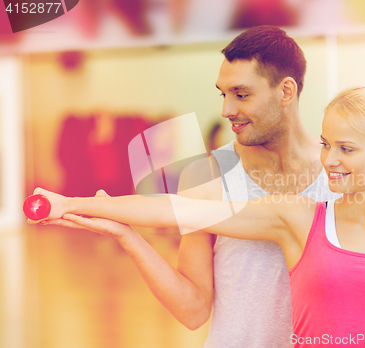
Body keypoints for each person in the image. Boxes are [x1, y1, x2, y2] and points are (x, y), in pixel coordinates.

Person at [33, 86, 365, 347]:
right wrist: (74, 205)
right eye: (325, 144)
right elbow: (180, 208)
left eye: (347, 148)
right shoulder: (299, 219)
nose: (330, 160)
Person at [41, 25, 339, 347]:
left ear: (286, 91)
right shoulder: (206, 175)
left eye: (241, 94)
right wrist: (126, 234)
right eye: (223, 94)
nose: (227, 110)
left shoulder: (340, 173)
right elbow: (193, 310)